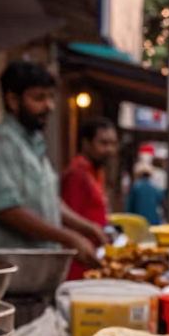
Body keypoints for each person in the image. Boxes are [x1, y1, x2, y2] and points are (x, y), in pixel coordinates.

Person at [0, 61, 103, 267]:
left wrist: (89, 228)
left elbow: (52, 203)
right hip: (9, 271)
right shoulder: (2, 142)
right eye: (39, 98)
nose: (49, 106)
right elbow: (7, 209)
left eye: (51, 97)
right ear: (13, 100)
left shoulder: (34, 145)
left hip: (37, 273)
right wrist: (68, 238)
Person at [60, 117, 118, 280]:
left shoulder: (96, 172)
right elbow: (67, 219)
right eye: (103, 143)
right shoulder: (77, 173)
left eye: (113, 144)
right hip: (77, 263)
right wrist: (91, 229)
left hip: (91, 258)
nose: (109, 149)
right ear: (86, 143)